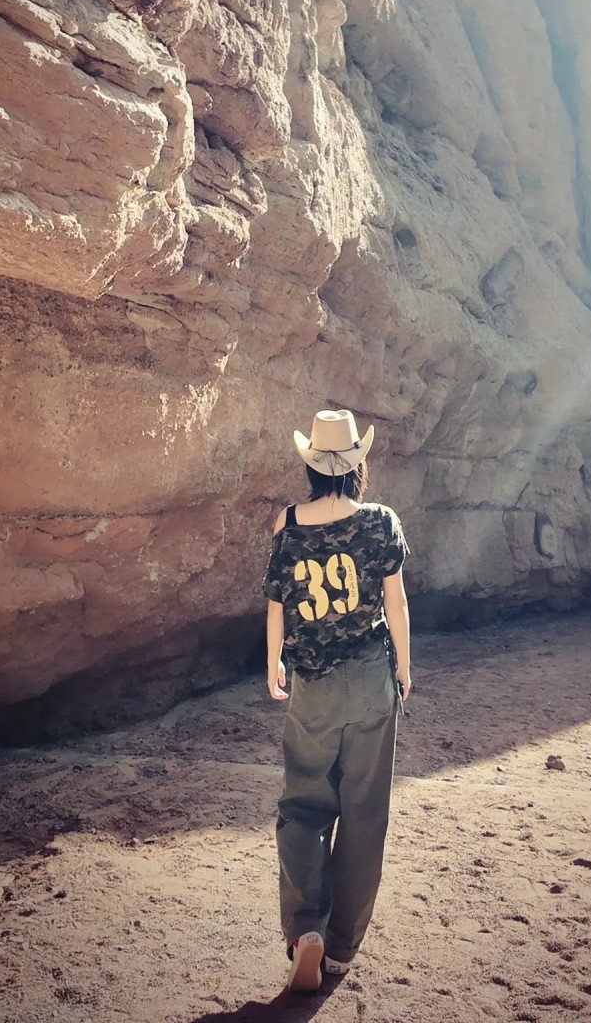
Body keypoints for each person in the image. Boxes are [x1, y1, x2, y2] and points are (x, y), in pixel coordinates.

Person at [262, 408, 411, 993]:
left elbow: (277, 602)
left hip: (313, 687)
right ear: (356, 464)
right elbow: (395, 604)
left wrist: (273, 662)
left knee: (303, 806)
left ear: (312, 466)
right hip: (371, 679)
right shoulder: (381, 522)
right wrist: (404, 667)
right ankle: (342, 949)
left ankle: (307, 930)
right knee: (365, 816)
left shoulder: (287, 524)